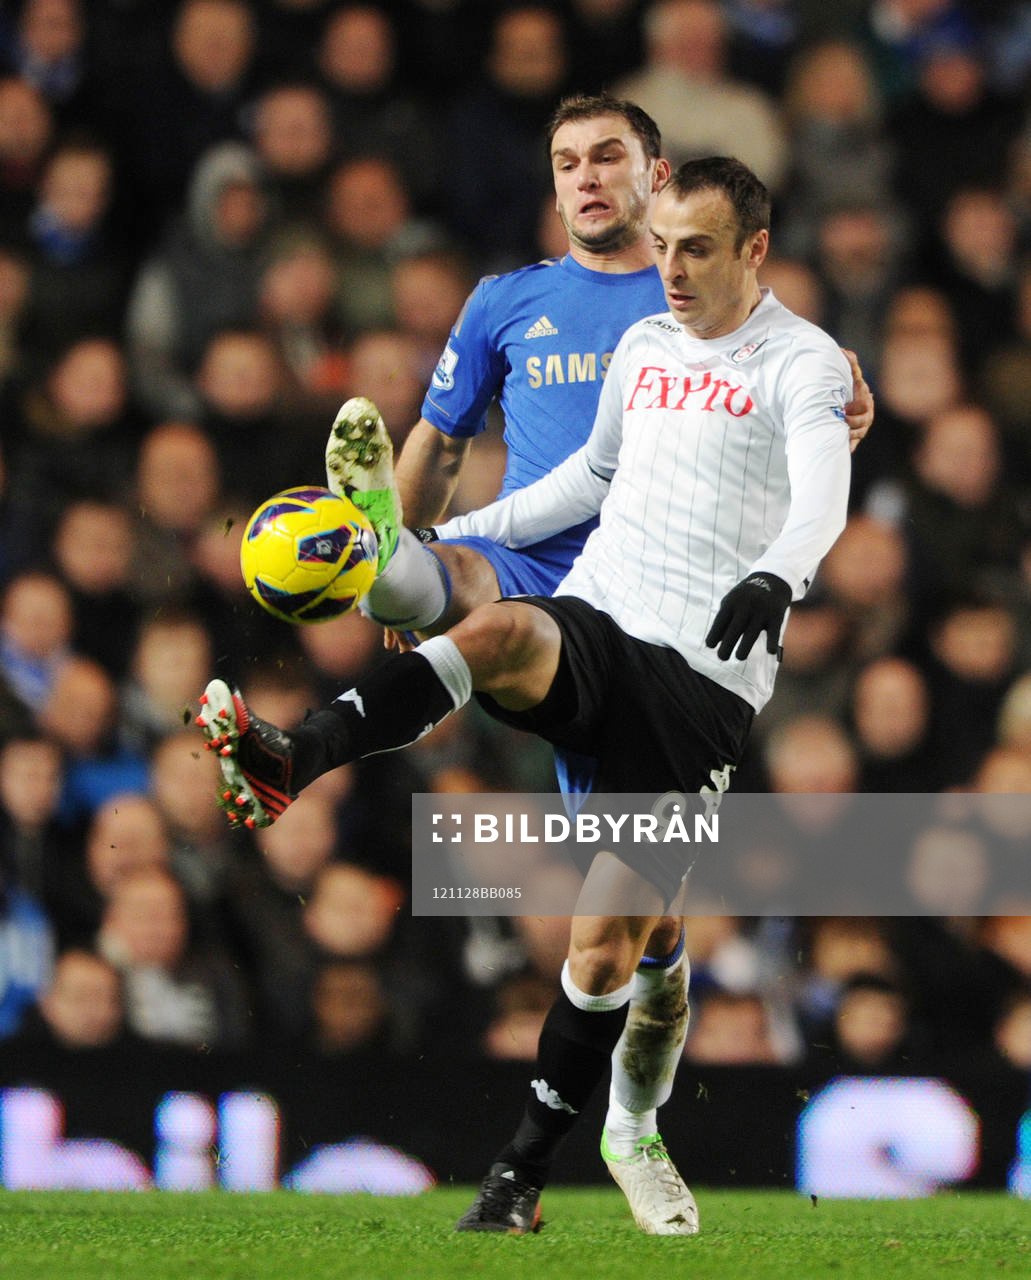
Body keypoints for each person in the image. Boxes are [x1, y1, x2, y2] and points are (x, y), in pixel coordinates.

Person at [199, 156, 853, 1233]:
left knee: (605, 946)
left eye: (697, 248)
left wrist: (781, 570)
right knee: (493, 627)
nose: (672, 270)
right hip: (598, 620)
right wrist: (449, 532)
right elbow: (584, 482)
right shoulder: (644, 346)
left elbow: (822, 490)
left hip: (699, 686)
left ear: (754, 251)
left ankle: (544, 1162)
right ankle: (293, 755)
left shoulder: (804, 362)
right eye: (662, 246)